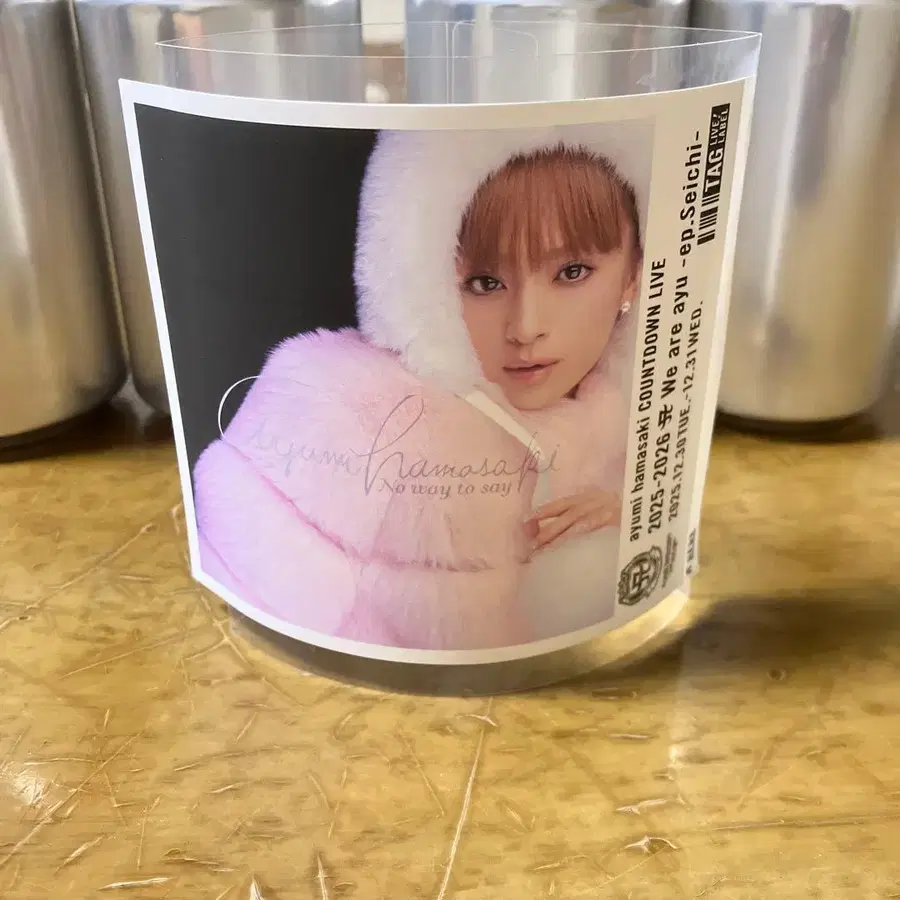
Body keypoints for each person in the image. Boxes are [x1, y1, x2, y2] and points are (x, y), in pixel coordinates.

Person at [192, 126, 644, 652]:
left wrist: (631, 514)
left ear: (633, 275)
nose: (525, 327)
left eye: (572, 272)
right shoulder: (347, 409)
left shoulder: (635, 417)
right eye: (485, 283)